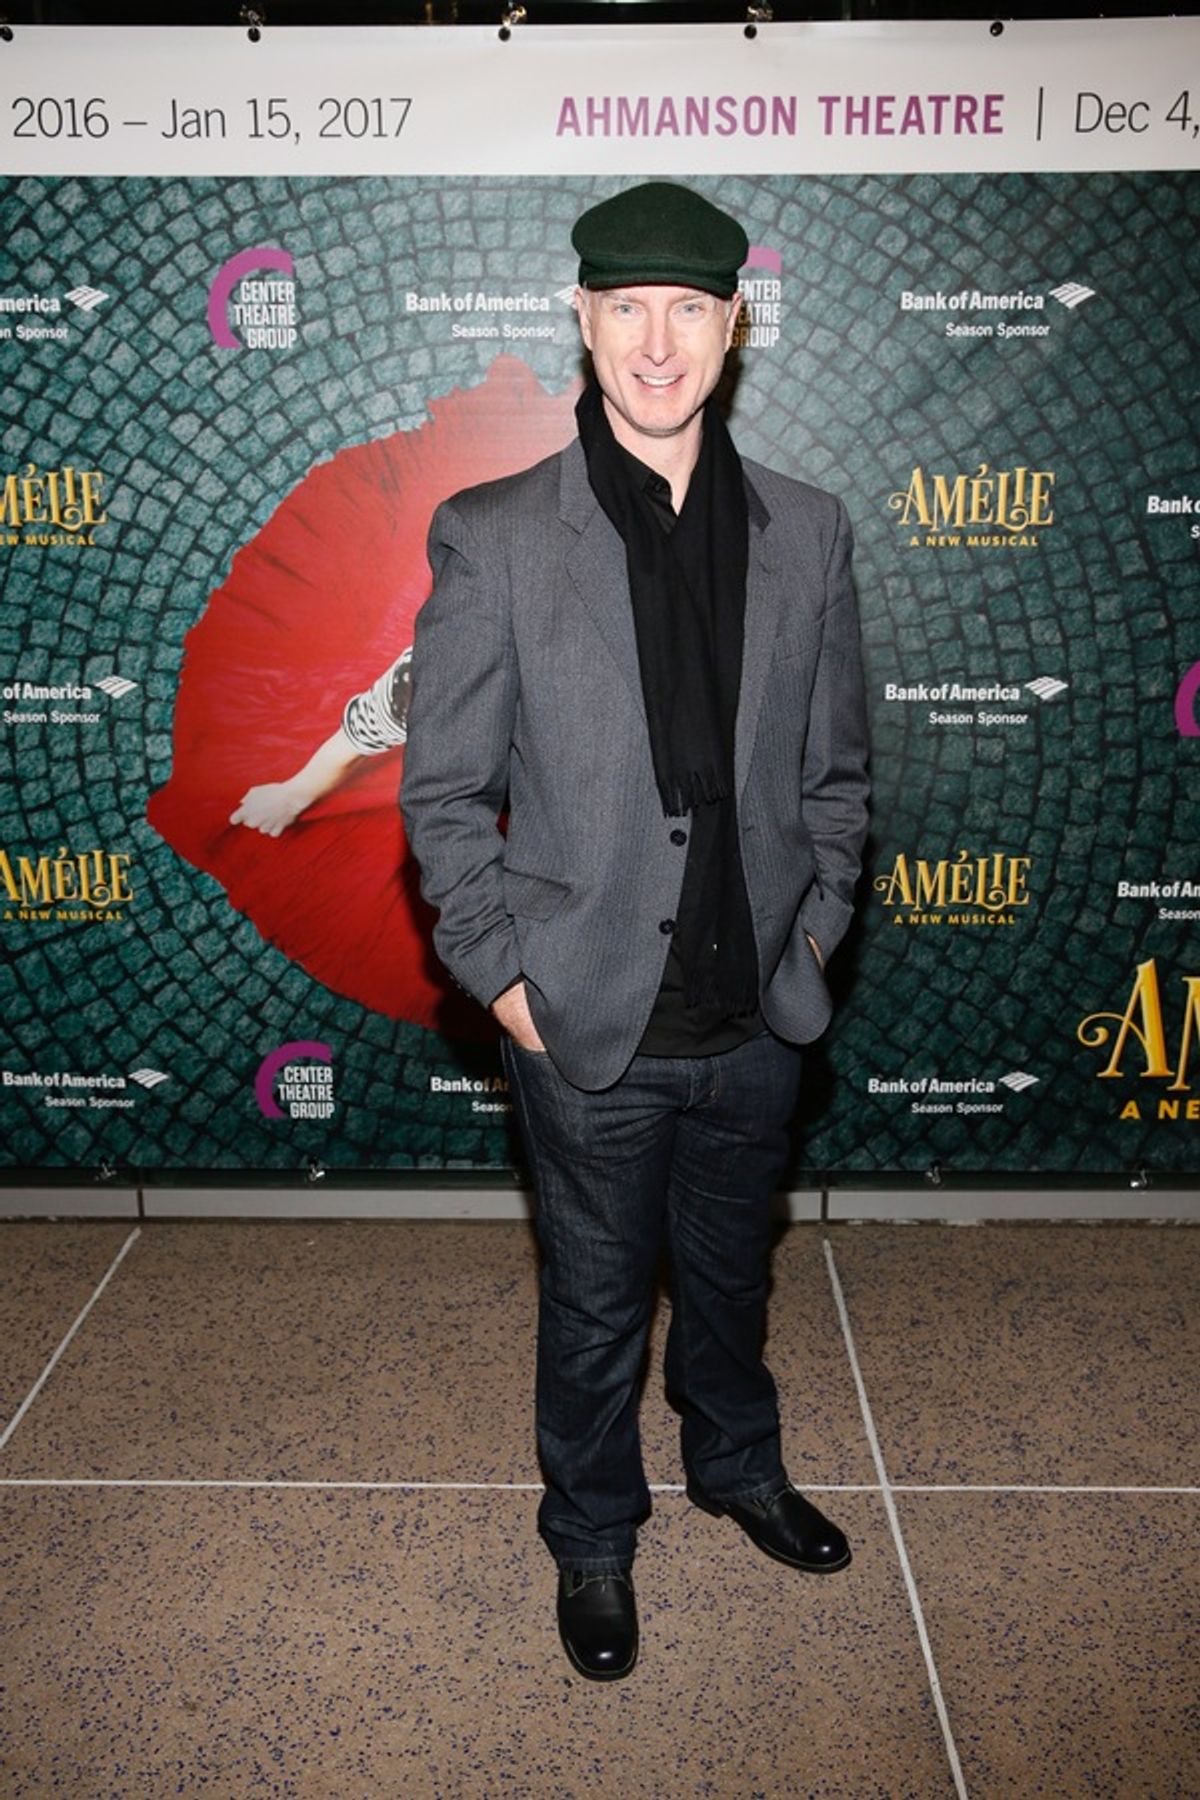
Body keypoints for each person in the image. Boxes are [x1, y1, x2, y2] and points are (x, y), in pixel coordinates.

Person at [401, 181, 870, 1682]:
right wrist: (510, 987)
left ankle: (738, 1465)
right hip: (587, 1020)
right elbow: (444, 793)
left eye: (688, 311)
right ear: (583, 320)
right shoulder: (495, 537)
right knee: (596, 1309)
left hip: (757, 1020)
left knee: (735, 1281)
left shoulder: (810, 528)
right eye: (626, 310)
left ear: (735, 328)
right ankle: (592, 1536)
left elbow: (838, 772)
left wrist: (814, 942)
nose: (656, 345)